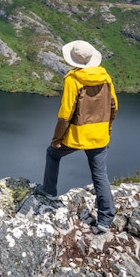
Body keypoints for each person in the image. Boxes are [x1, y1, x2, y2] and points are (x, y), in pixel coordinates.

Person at [40, 40, 118, 233]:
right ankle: (105, 219)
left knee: (52, 154)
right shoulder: (105, 76)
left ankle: (49, 191)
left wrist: (57, 139)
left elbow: (65, 114)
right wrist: (108, 129)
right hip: (99, 133)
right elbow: (114, 106)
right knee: (100, 174)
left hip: (77, 133)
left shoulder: (72, 79)